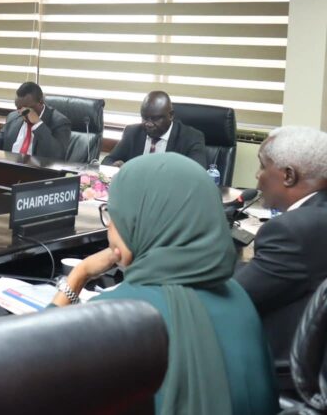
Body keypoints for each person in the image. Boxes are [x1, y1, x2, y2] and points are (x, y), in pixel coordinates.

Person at [51, 153, 276, 415]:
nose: (110, 228)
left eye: (113, 215)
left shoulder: (114, 316)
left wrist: (78, 275)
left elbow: (29, 374)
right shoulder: (237, 295)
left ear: (141, 221)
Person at [235, 126, 327, 366]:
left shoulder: (292, 230)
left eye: (262, 166)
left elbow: (235, 296)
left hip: (280, 369)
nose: (257, 175)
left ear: (288, 176)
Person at [102, 90, 206, 168]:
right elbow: (108, 160)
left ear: (171, 115)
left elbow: (197, 173)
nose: (148, 124)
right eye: (144, 118)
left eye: (155, 118)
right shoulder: (132, 132)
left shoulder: (191, 138)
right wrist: (115, 166)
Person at [0, 81, 71, 160]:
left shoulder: (60, 122)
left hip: (36, 171)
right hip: (9, 168)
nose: (21, 112)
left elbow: (57, 155)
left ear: (41, 102)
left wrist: (38, 124)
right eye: (18, 108)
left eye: (25, 108)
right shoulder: (13, 117)